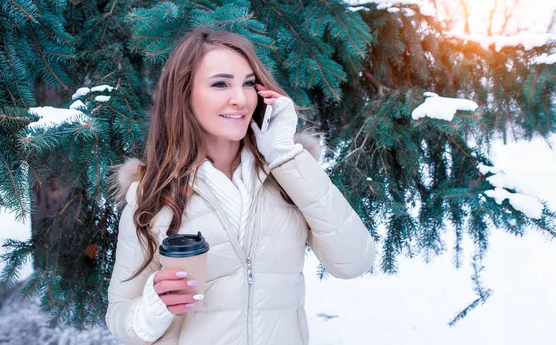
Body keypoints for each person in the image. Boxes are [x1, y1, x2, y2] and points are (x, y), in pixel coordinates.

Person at [105, 27, 375, 345]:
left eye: (248, 83)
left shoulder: (287, 176)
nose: (240, 98)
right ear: (184, 94)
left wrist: (284, 154)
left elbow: (355, 261)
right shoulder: (151, 194)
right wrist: (154, 307)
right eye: (220, 84)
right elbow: (121, 318)